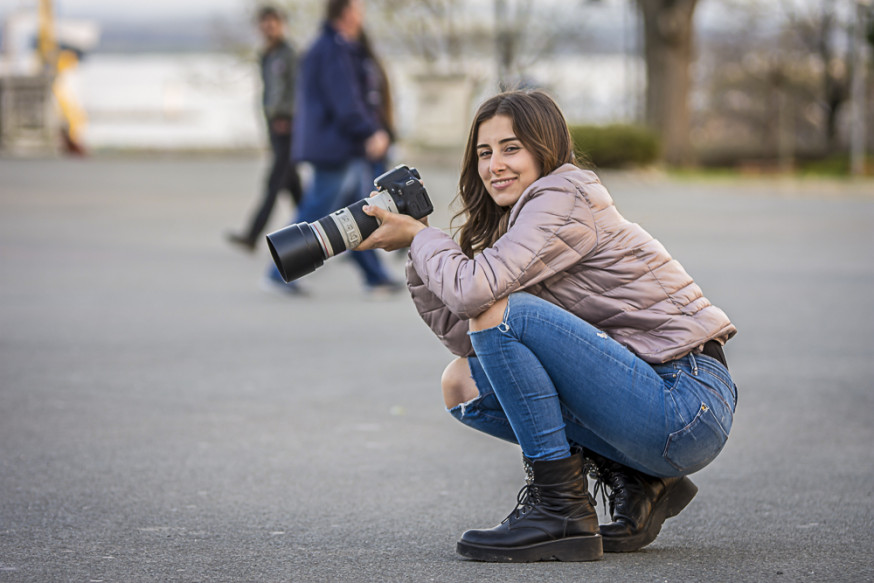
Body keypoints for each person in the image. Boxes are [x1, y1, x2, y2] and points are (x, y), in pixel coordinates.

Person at [357, 90, 738, 562]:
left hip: (686, 401)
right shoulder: (521, 221)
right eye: (484, 152)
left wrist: (422, 239)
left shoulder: (563, 194)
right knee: (462, 383)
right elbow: (472, 338)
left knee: (499, 309)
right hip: (648, 404)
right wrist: (417, 255)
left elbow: (480, 299)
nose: (495, 164)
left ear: (546, 148)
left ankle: (559, 511)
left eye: (511, 148)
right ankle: (641, 478)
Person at [262, 0, 399, 295]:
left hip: (338, 145)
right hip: (335, 146)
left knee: (360, 213)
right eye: (359, 9)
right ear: (347, 13)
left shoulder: (333, 46)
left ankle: (374, 277)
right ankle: (277, 272)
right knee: (316, 210)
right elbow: (345, 101)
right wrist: (371, 131)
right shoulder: (333, 49)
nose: (362, 15)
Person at [227, 6, 303, 253]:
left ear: (282, 24)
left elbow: (297, 90)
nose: (269, 28)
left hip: (287, 127)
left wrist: (288, 117)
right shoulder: (267, 55)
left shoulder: (289, 54)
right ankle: (321, 233)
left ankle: (252, 234)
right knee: (294, 188)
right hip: (274, 127)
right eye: (264, 24)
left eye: (273, 23)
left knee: (273, 183)